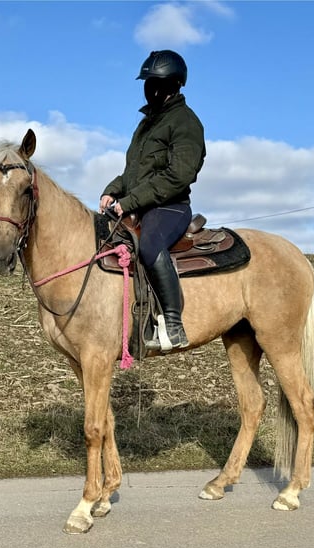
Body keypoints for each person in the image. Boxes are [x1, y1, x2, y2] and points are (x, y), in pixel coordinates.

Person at [99, 49, 206, 351]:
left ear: (173, 86)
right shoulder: (145, 125)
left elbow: (178, 176)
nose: (150, 89)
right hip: (141, 204)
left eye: (156, 83)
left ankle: (172, 322)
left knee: (149, 244)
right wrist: (112, 191)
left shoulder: (186, 123)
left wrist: (131, 202)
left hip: (170, 206)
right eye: (147, 83)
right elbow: (131, 174)